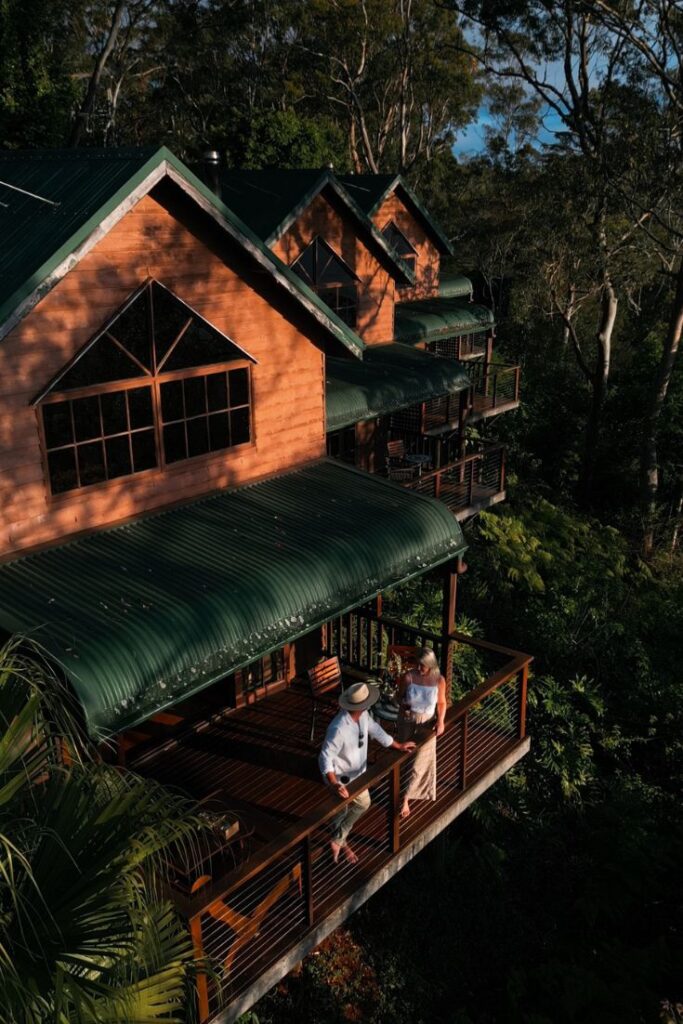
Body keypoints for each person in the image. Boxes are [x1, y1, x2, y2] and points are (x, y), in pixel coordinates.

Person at [319, 680, 416, 864]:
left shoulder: (363, 716)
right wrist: (334, 784)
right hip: (340, 779)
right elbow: (325, 757)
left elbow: (376, 730)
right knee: (349, 808)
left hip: (358, 776)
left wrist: (398, 745)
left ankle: (338, 841)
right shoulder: (338, 728)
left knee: (354, 807)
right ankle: (340, 843)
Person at [397, 647, 447, 819]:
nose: (419, 668)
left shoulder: (439, 680)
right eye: (417, 664)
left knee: (419, 763)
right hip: (408, 721)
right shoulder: (408, 677)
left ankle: (405, 795)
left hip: (426, 723)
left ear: (430, 664)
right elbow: (399, 697)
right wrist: (402, 705)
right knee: (406, 758)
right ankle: (404, 796)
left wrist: (440, 721)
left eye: (423, 665)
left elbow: (441, 703)